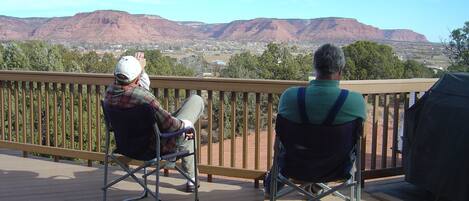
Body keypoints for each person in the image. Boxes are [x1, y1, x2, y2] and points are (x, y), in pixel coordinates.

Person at [264, 44, 366, 196]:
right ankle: (315, 187)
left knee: (285, 149)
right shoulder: (355, 101)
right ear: (341, 70)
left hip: (294, 166)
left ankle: (271, 187)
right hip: (336, 168)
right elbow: (359, 137)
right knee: (327, 147)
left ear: (315, 68)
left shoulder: (289, 96)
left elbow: (280, 138)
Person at [104, 53, 204, 192]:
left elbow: (134, 91)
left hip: (126, 147)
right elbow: (171, 125)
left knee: (184, 128)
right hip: (153, 147)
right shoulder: (144, 99)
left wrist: (140, 69)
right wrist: (185, 125)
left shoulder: (109, 95)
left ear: (116, 75)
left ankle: (190, 177)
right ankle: (191, 179)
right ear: (137, 78)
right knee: (191, 120)